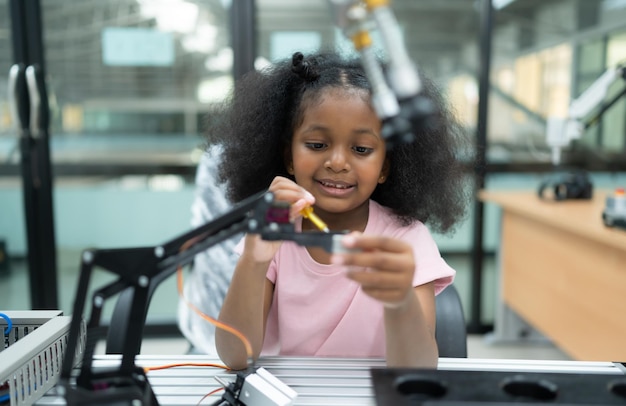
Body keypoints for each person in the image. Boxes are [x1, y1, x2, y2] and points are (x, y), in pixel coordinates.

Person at [207, 50, 470, 370]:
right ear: (288, 157)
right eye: (317, 145)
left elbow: (417, 372)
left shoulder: (405, 238)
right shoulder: (274, 229)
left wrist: (400, 300)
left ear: (386, 166)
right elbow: (235, 356)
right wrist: (253, 260)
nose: (337, 163)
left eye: (361, 149)